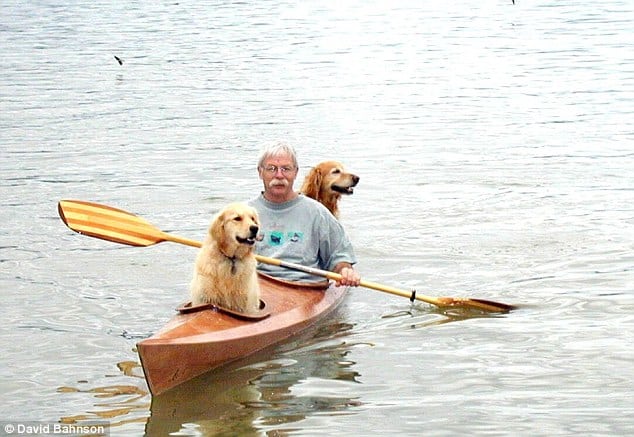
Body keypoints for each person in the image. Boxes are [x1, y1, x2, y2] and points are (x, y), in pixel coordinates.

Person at [248, 141, 361, 287]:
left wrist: (346, 271)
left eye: (286, 169)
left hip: (304, 287)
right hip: (256, 284)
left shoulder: (318, 213)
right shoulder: (243, 213)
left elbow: (339, 258)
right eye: (271, 169)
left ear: (295, 172)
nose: (279, 175)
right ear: (260, 172)